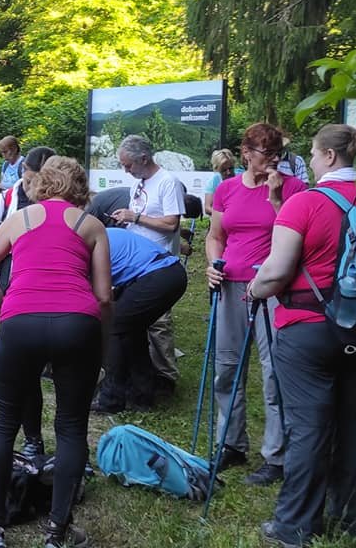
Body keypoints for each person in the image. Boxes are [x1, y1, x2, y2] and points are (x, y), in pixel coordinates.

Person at [0, 156, 111, 548]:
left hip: (22, 320)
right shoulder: (92, 225)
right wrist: (103, 342)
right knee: (71, 426)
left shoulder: (19, 219)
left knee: (2, 421)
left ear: (41, 183)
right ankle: (57, 533)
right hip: (77, 323)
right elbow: (103, 296)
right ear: (79, 186)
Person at [248, 124, 356, 546]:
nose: (308, 160)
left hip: (308, 328)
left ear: (328, 156)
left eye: (311, 152)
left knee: (309, 426)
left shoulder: (305, 202)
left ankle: (296, 526)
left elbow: (277, 270)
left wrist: (254, 289)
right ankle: (351, 516)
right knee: (354, 422)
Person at [204, 123, 307, 486]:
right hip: (230, 285)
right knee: (226, 367)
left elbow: (296, 239)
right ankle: (231, 442)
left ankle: (276, 455)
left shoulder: (294, 189)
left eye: (279, 152)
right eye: (267, 152)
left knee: (273, 371)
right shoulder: (227, 189)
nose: (274, 159)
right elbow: (215, 236)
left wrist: (276, 198)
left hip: (273, 289)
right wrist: (212, 264)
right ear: (246, 153)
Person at [0, 145, 56, 459]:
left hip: (54, 285)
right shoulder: (6, 199)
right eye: (31, 179)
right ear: (24, 172)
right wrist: (3, 246)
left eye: (42, 180)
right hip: (16, 284)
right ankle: (32, 437)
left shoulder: (63, 202)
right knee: (24, 369)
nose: (35, 187)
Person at [108, 135, 185, 401]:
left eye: (128, 165)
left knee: (158, 325)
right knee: (134, 325)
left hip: (159, 262)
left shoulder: (167, 182)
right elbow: (138, 219)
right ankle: (142, 380)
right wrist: (126, 220)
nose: (126, 170)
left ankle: (166, 377)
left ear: (143, 159)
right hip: (135, 265)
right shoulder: (138, 184)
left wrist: (136, 217)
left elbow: (171, 224)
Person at [91, 228, 188, 414]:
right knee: (131, 330)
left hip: (158, 275)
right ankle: (141, 395)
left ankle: (111, 399)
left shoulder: (86, 245)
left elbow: (101, 297)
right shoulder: (98, 232)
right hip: (169, 272)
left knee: (115, 327)